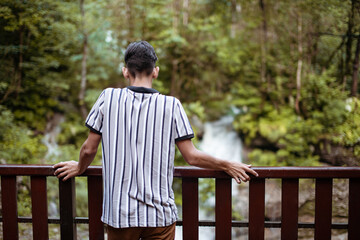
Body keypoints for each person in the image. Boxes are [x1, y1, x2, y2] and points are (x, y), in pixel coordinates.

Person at [53, 41, 258, 240]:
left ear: (125, 71)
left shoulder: (108, 98)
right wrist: (227, 165)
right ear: (155, 71)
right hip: (160, 215)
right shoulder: (172, 105)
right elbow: (192, 157)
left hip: (121, 214)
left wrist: (80, 167)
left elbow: (89, 150)